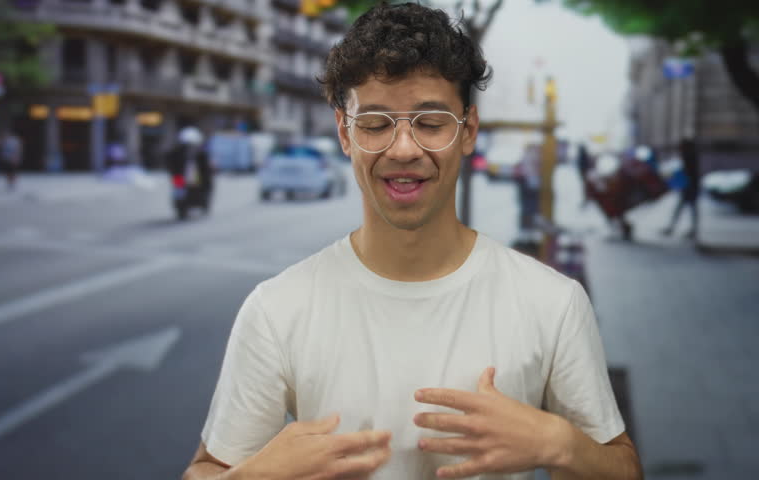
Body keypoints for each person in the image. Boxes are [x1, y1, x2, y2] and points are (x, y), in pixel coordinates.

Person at [183, 3, 641, 480]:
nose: (403, 150)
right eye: (376, 124)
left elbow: (623, 467)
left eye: (430, 123)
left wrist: (559, 442)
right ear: (345, 133)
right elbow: (207, 469)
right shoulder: (277, 309)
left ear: (468, 131)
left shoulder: (552, 303)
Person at [661, 137, 700, 239]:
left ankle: (675, 228)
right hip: (690, 186)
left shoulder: (688, 156)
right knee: (688, 208)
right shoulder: (690, 155)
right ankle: (689, 229)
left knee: (686, 208)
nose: (679, 148)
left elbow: (686, 172)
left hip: (689, 186)